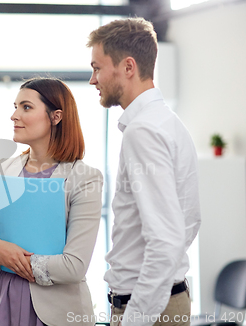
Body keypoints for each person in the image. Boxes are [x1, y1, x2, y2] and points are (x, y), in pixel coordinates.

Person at [0, 77, 103, 326]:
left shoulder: (84, 178)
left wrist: (9, 257)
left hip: (58, 314)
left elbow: (74, 267)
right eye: (15, 107)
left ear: (56, 116)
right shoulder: (2, 172)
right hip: (4, 306)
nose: (14, 115)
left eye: (26, 107)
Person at [87, 18, 201, 326]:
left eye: (97, 68)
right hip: (164, 300)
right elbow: (187, 222)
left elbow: (167, 239)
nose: (92, 80)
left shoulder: (143, 131)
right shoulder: (167, 122)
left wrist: (135, 318)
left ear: (127, 67)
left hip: (147, 308)